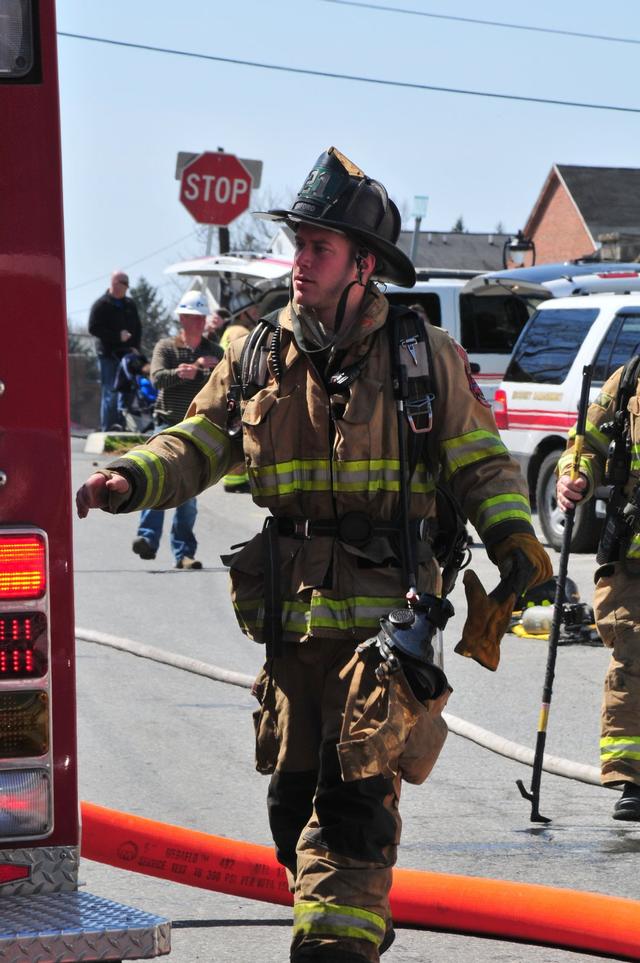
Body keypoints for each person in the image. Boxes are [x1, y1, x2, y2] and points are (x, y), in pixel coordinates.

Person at [76, 147, 551, 963]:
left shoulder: (421, 356)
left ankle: (335, 947)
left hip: (384, 631)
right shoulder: (258, 353)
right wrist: (129, 476)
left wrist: (516, 542)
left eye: (319, 247)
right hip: (290, 629)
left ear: (363, 265)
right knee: (292, 814)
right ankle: (346, 924)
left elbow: (480, 462)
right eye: (298, 243)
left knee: (354, 813)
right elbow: (200, 440)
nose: (300, 261)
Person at [557, 365, 640, 821]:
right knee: (634, 659)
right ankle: (632, 779)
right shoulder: (628, 381)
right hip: (633, 557)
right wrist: (576, 478)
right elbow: (584, 444)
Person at [132, 290, 223, 570]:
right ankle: (147, 538)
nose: (195, 322)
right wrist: (183, 372)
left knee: (187, 494)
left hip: (195, 429)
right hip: (166, 424)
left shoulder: (215, 352)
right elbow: (157, 379)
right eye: (191, 317)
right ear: (181, 319)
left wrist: (213, 370)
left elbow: (226, 383)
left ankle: (184, 553)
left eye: (200, 317)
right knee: (155, 480)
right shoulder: (166, 348)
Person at [88, 271, 142, 431]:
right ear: (114, 283)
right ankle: (108, 428)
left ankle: (122, 425)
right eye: (122, 283)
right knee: (110, 391)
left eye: (126, 284)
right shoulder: (101, 304)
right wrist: (117, 336)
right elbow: (93, 328)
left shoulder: (130, 305)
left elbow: (137, 328)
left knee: (125, 391)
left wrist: (135, 348)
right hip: (107, 355)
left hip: (126, 356)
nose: (125, 287)